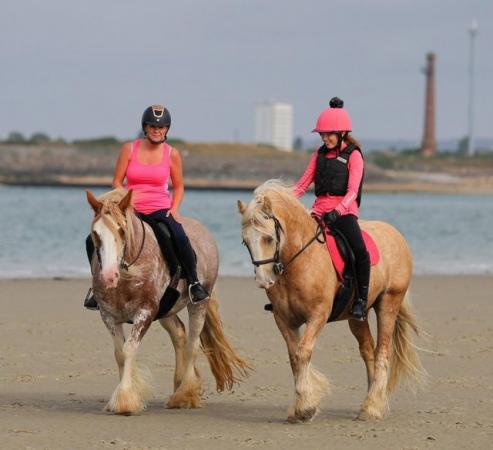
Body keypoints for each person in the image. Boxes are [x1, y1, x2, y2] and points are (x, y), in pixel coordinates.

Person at [84, 104, 209, 310]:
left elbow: (178, 187)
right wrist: (124, 200)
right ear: (145, 127)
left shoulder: (172, 154)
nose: (156, 130)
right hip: (131, 209)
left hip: (159, 208)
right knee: (92, 240)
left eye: (161, 127)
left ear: (167, 129)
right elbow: (117, 181)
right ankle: (97, 288)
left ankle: (194, 283)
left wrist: (175, 208)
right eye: (152, 126)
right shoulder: (128, 149)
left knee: (178, 236)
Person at [293, 97, 369, 321]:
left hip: (343, 213)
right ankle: (286, 297)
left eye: (329, 134)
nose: (324, 138)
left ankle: (361, 301)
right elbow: (302, 185)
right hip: (317, 211)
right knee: (290, 246)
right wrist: (279, 201)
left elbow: (353, 191)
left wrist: (338, 210)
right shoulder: (319, 155)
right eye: (322, 135)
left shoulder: (354, 155)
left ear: (342, 133)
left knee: (360, 253)